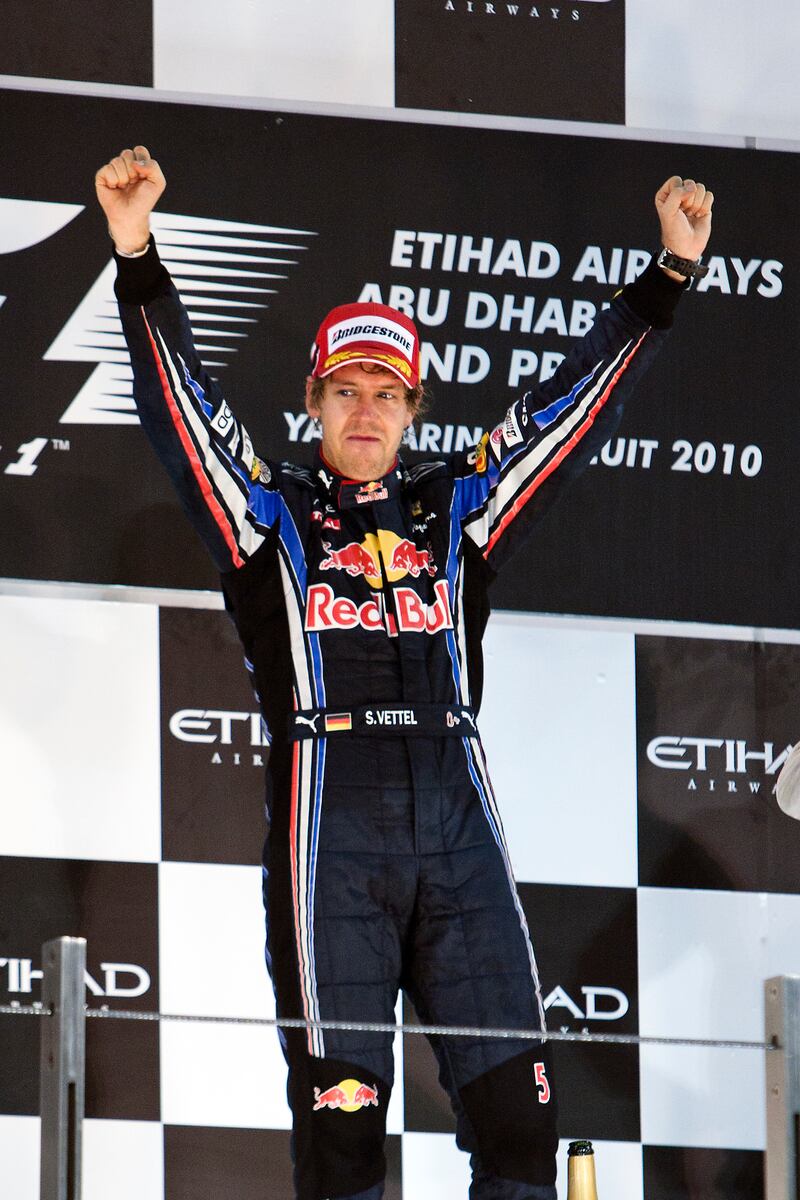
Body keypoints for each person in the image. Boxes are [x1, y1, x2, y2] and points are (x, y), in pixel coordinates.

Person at [96, 146, 713, 1200]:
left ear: (414, 404)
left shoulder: (460, 504)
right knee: (343, 1144)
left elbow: (570, 410)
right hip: (329, 824)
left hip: (456, 817)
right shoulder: (266, 510)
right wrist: (137, 254)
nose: (366, 410)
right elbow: (179, 408)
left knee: (520, 1130)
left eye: (386, 390)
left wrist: (666, 276)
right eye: (345, 389)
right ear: (313, 400)